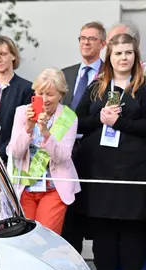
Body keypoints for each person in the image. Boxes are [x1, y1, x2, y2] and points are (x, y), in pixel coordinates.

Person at [75, 33, 146, 270]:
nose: (123, 58)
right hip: (99, 168)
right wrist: (99, 119)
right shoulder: (96, 87)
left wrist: (121, 123)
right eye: (118, 53)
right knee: (103, 228)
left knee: (131, 228)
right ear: (110, 57)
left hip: (133, 170)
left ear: (135, 56)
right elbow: (77, 122)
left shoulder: (142, 86)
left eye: (128, 53)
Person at [7, 68, 80, 235]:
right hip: (25, 187)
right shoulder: (22, 113)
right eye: (40, 93)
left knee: (45, 238)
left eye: (50, 94)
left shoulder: (69, 117)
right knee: (24, 238)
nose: (45, 99)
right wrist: (28, 128)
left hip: (54, 188)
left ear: (61, 95)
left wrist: (46, 132)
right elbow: (14, 153)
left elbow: (62, 157)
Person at [60, 21, 107, 255]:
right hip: (64, 155)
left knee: (96, 217)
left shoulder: (109, 75)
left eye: (91, 39)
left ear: (103, 43)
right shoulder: (66, 74)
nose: (86, 43)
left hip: (94, 152)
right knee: (69, 218)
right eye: (82, 38)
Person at [0, 36, 34, 162]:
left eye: (3, 54)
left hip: (11, 156)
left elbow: (24, 128)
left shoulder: (26, 88)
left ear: (13, 56)